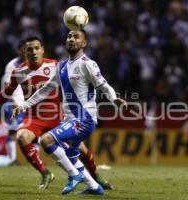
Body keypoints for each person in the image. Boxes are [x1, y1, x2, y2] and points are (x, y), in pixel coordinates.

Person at [0, 36, 114, 190]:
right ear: (24, 52)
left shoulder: (55, 65)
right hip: (34, 118)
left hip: (57, 117)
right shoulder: (18, 72)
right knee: (22, 136)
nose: (34, 52)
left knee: (81, 150)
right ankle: (45, 173)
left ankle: (96, 177)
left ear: (42, 50)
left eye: (37, 48)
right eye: (30, 49)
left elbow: (75, 83)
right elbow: (6, 92)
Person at [13, 30, 126, 195]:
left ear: (84, 43)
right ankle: (95, 187)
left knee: (46, 140)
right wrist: (24, 105)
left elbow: (103, 85)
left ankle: (74, 176)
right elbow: (46, 90)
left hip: (84, 119)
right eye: (69, 37)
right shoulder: (62, 66)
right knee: (71, 155)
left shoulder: (88, 63)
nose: (71, 39)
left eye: (76, 37)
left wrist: (114, 98)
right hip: (69, 119)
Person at [2, 41, 26, 166]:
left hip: (29, 102)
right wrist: (14, 102)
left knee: (35, 130)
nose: (25, 51)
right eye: (22, 49)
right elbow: (7, 86)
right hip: (14, 102)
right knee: (13, 130)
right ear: (18, 50)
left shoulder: (35, 64)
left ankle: (33, 158)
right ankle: (12, 159)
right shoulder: (12, 65)